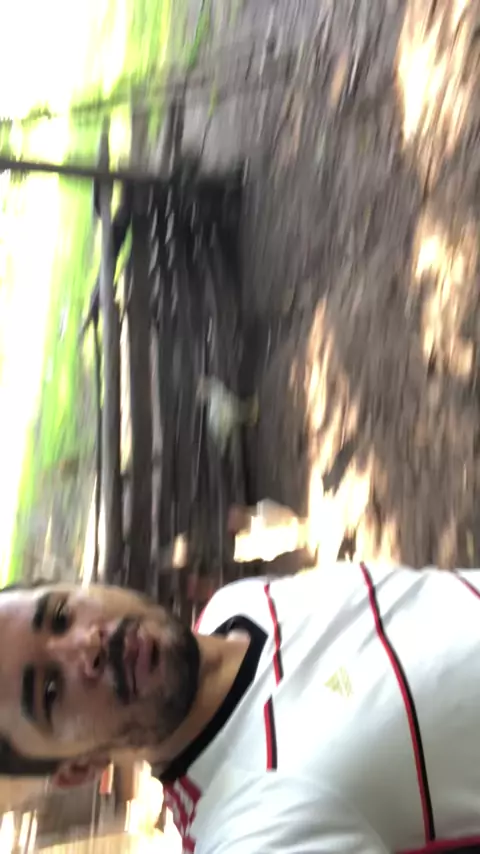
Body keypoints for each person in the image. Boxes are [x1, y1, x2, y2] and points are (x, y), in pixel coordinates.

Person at [2, 564, 480, 853]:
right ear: (78, 768)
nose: (87, 646)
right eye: (50, 692)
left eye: (60, 615)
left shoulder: (234, 605)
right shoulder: (252, 828)